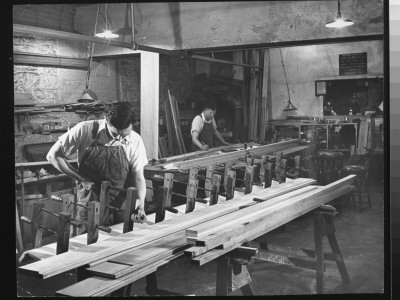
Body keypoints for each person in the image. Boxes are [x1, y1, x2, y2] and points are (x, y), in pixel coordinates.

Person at [46, 101, 148, 233]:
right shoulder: (85, 130)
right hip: (89, 203)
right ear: (106, 120)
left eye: (124, 135)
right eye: (115, 134)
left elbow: (139, 178)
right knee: (86, 242)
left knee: (119, 243)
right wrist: (81, 178)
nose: (120, 139)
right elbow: (53, 156)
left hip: (119, 206)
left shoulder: (135, 140)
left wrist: (141, 205)